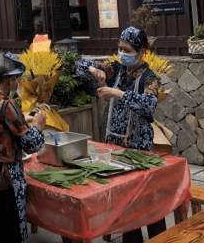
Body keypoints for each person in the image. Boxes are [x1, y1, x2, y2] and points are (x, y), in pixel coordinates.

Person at [75, 25, 163, 243]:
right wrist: (93, 70)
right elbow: (79, 64)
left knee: (147, 199)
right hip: (114, 146)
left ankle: (160, 238)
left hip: (139, 148)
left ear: (142, 51)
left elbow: (148, 106)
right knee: (126, 202)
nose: (122, 53)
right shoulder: (115, 69)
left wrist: (118, 93)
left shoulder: (150, 78)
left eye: (127, 50)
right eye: (119, 48)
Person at [0, 53, 46, 243]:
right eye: (16, 79)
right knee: (8, 237)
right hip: (5, 183)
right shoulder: (6, 105)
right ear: (9, 79)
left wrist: (23, 119)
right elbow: (32, 144)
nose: (18, 83)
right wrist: (38, 124)